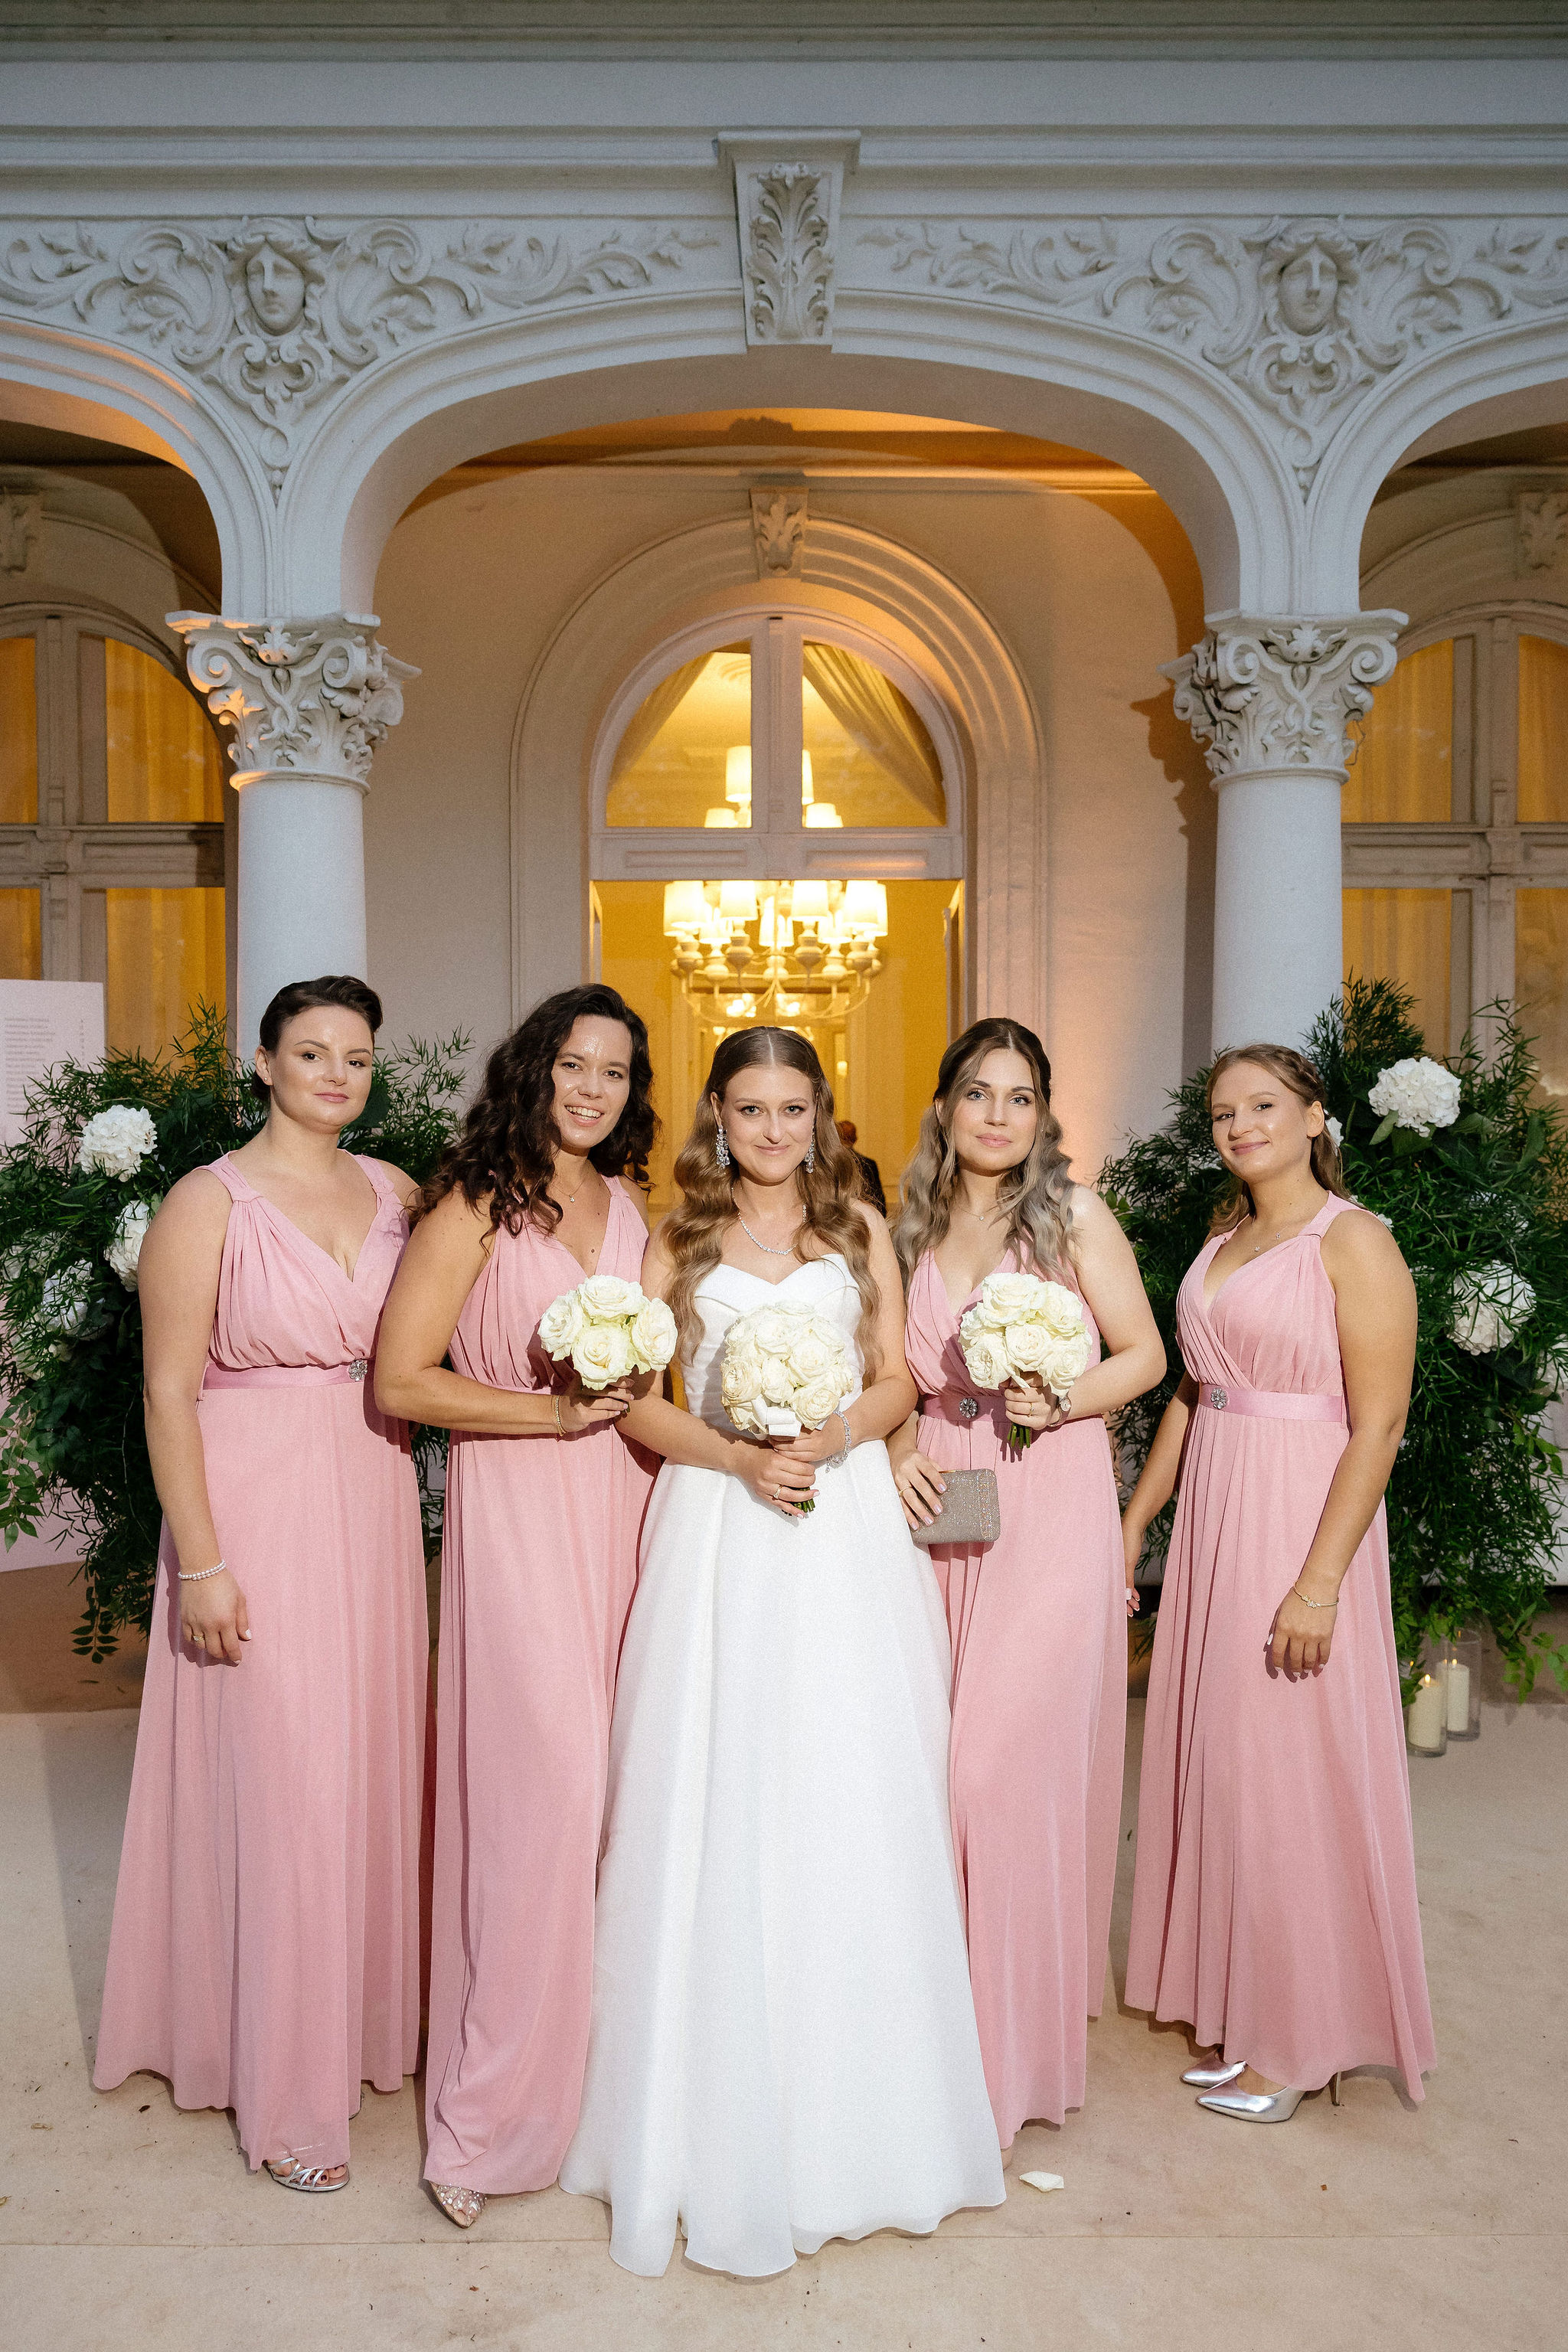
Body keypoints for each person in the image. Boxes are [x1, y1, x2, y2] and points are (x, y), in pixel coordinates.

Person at [559, 1026, 1004, 2277]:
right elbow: (638, 1400)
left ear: (820, 1114)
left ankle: (864, 2112)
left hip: (839, 1525)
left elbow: (896, 1381)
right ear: (715, 1115)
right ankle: (700, 2105)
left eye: (791, 1107)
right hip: (715, 1524)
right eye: (748, 1108)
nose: (770, 1130)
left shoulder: (858, 1227)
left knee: (844, 1784)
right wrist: (740, 1455)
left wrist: (828, 1435)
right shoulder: (676, 1238)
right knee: (715, 1786)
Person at [93, 975, 427, 2193]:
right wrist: (208, 1561)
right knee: (287, 1779)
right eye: (312, 1052)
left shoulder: (397, 1191)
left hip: (373, 1494)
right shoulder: (206, 1201)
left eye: (357, 1056)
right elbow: (166, 1393)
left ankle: (360, 2028)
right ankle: (288, 2099)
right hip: (257, 1507)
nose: (337, 1073)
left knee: (364, 1767)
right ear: (266, 1064)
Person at [374, 984, 656, 2228]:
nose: (591, 1090)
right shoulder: (476, 1206)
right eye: (573, 1066)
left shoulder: (632, 1205)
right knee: (538, 1803)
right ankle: (484, 2121)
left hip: (634, 1509)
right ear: (533, 1071)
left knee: (620, 1807)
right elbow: (400, 1376)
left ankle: (607, 2093)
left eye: (614, 1073)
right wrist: (544, 1411)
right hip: (523, 1511)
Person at [1123, 1043, 1435, 2120]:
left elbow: (1382, 1419)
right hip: (1216, 1513)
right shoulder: (1222, 1240)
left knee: (1291, 1777)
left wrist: (1319, 1583)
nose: (1240, 1125)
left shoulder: (1354, 1242)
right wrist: (1136, 1526)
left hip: (1301, 1517)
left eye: (1263, 1105)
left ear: (1314, 1117)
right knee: (1231, 1773)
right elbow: (1192, 1396)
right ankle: (1255, 2008)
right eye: (1223, 1112)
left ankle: (1301, 2041)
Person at [888, 1018, 1165, 2147]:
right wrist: (899, 1440)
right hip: (938, 1500)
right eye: (977, 1093)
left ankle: (1007, 2070)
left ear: (1045, 1114)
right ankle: (938, 2039)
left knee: (997, 1779)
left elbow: (1145, 1354)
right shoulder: (907, 1223)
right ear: (945, 1107)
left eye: (1020, 1097)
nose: (998, 1115)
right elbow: (887, 1370)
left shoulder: (1074, 1216)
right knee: (931, 1766)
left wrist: (1068, 1398)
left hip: (1047, 1499)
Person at [835, 1116, 886, 1214]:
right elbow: (879, 1201)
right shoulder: (869, 1164)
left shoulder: (831, 1164)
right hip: (867, 1218)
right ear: (855, 1138)